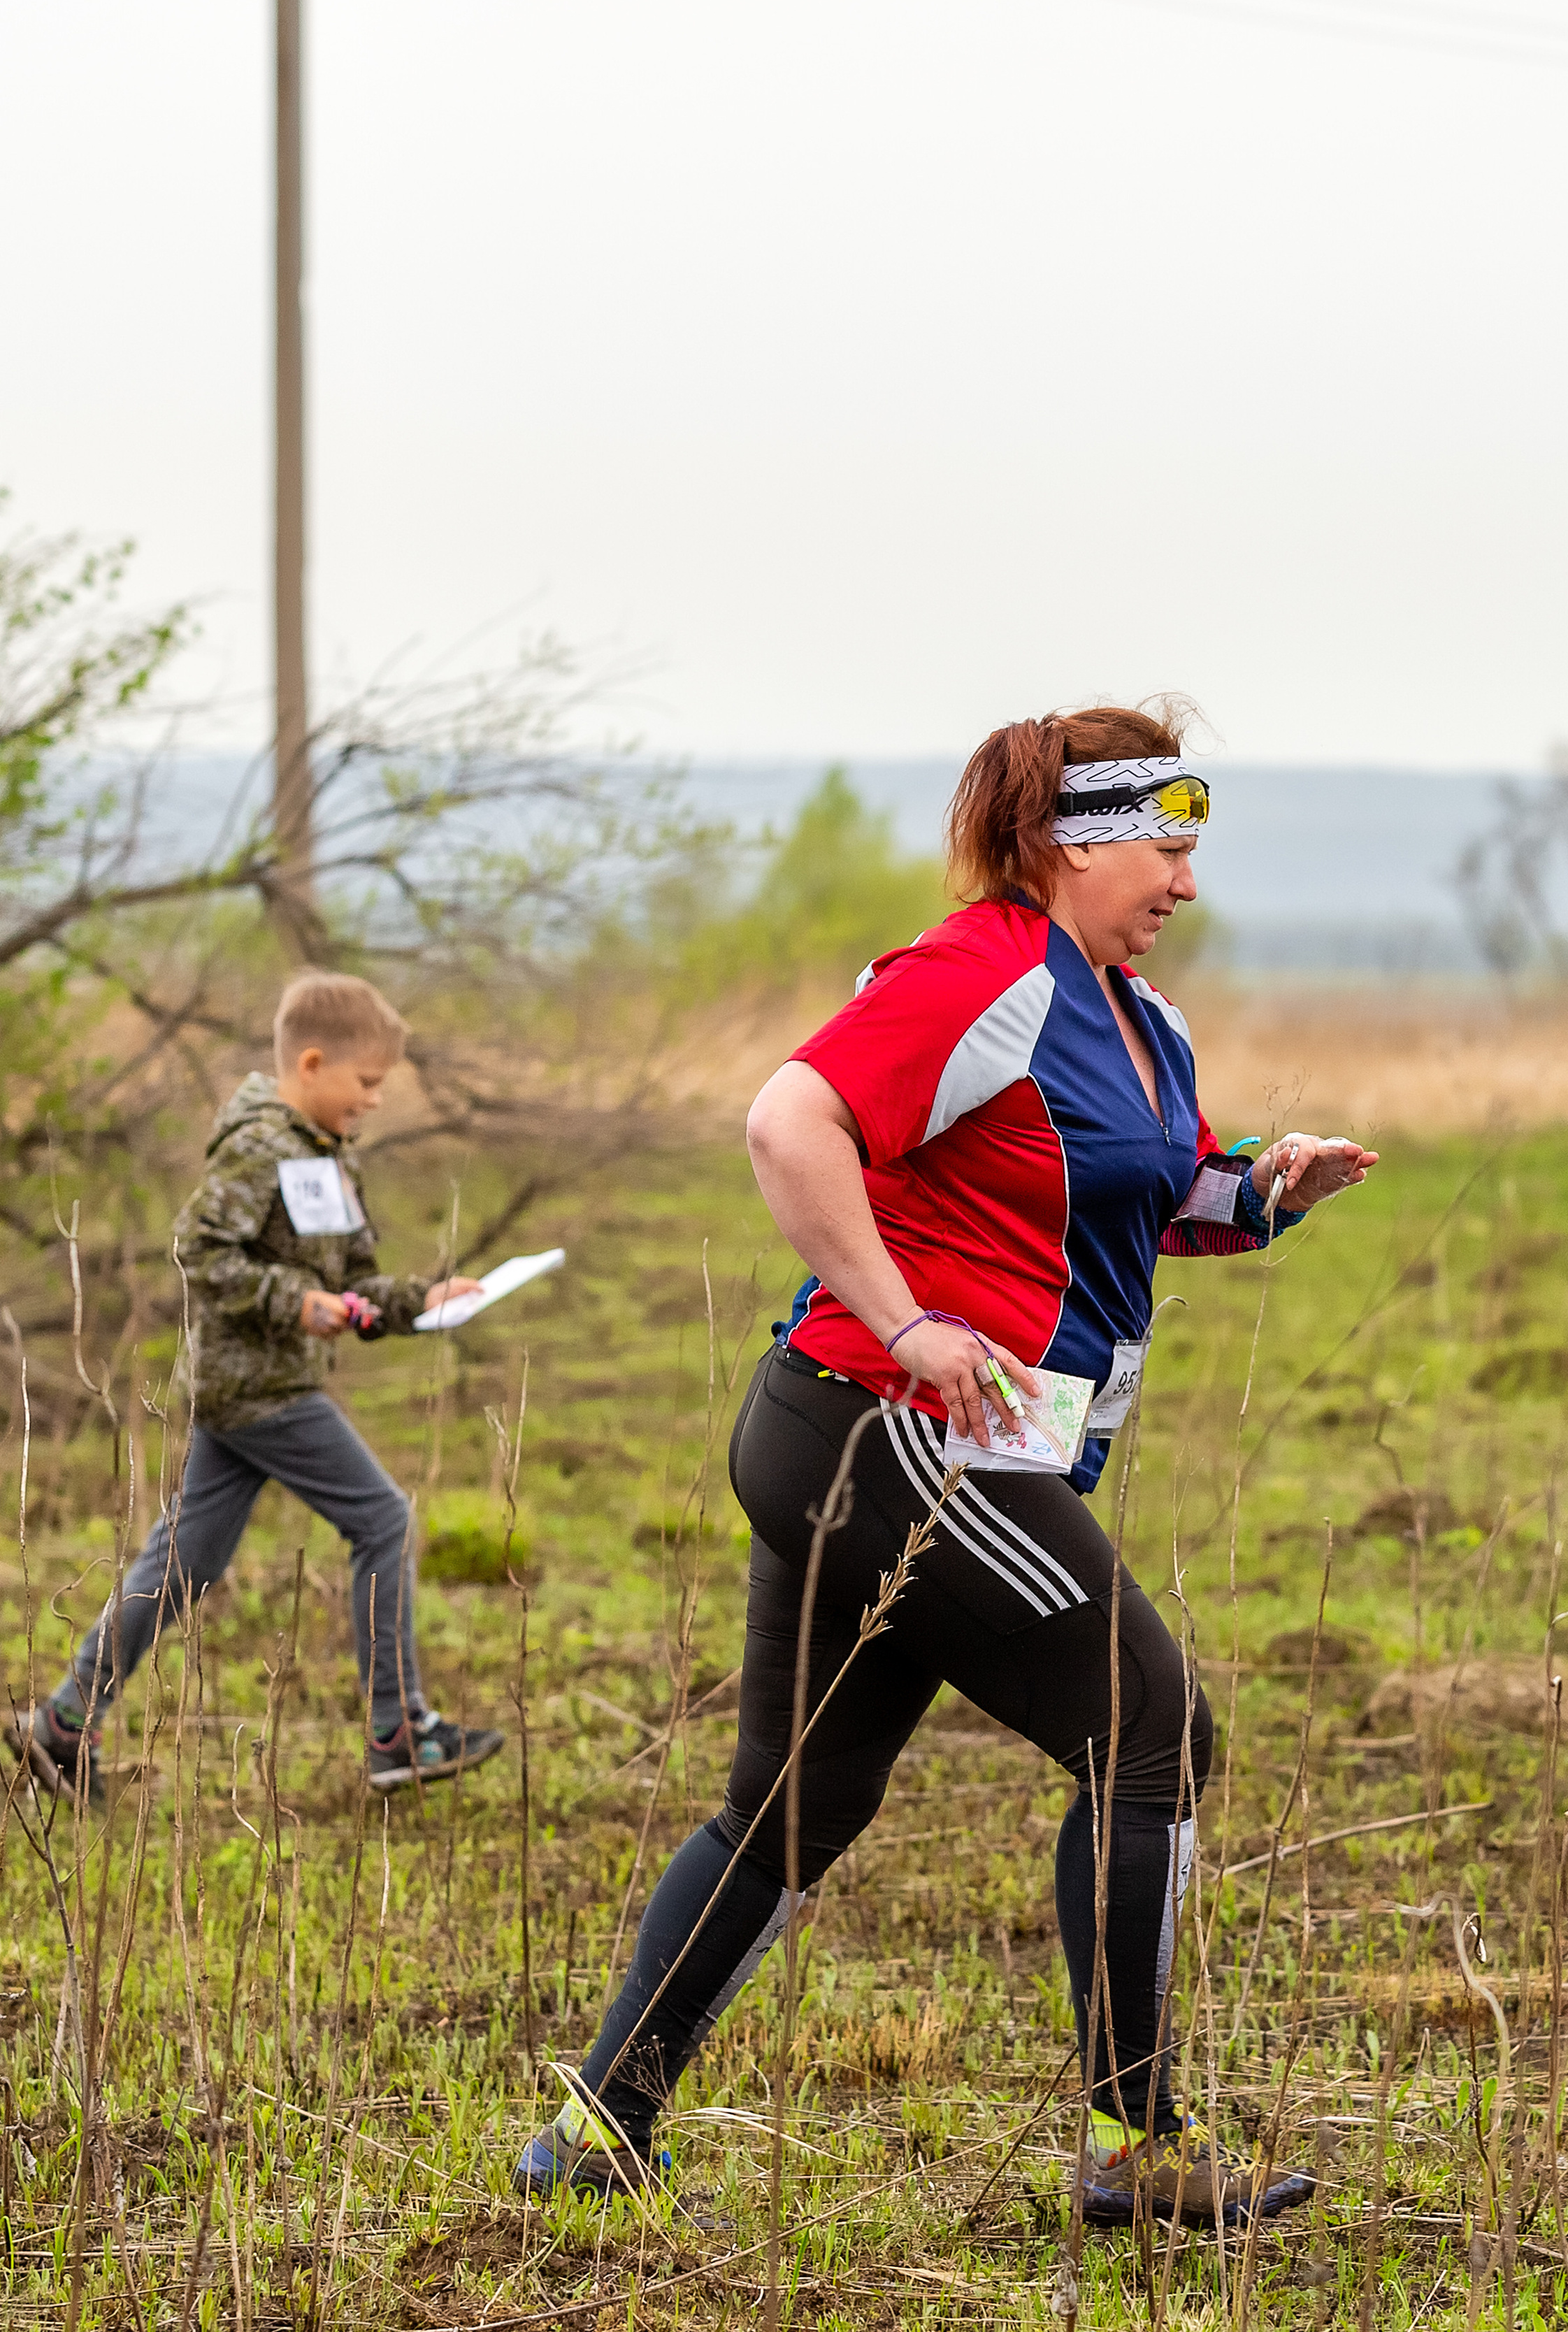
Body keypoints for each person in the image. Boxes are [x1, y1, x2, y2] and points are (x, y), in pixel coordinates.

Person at [516, 703, 1377, 2227]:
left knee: (793, 1807)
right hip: (885, 1433)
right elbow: (791, 1123)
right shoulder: (977, 970)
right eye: (1162, 849)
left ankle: (595, 2130)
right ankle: (1136, 2148)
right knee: (1151, 1735)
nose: (1183, 881)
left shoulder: (1133, 1013)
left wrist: (1256, 1193)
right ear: (1066, 844)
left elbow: (1116, 1194)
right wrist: (903, 1318)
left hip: (898, 1441)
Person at [6, 970, 506, 1804]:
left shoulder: (322, 1154)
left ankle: (62, 1725)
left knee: (183, 1566)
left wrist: (421, 1301)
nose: (376, 1102)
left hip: (258, 1388)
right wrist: (294, 1302)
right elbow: (201, 1252)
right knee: (383, 1518)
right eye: (368, 1083)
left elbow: (349, 1283)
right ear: (312, 1063)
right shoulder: (258, 1147)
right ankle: (398, 1732)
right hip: (260, 1389)